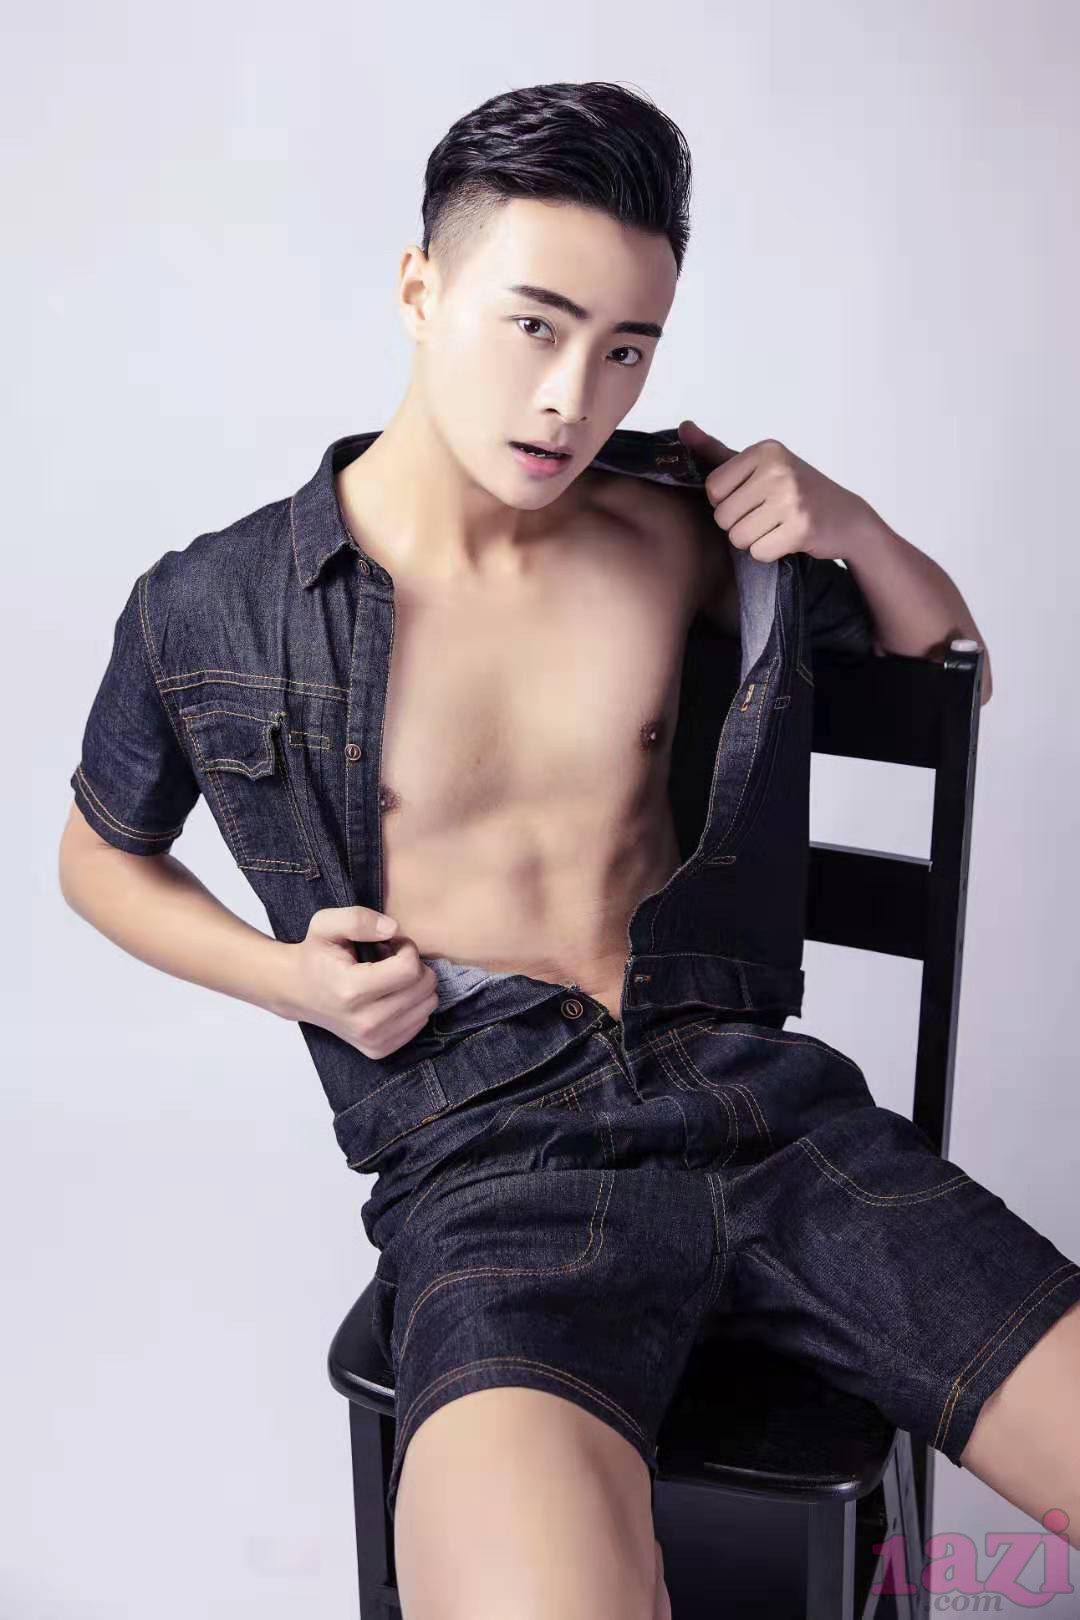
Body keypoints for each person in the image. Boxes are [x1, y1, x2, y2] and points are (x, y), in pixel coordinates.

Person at [59, 79, 1079, 1620]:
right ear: (421, 289)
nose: (570, 398)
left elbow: (956, 673)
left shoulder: (678, 536)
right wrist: (291, 981)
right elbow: (96, 857)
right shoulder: (212, 606)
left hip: (764, 1117)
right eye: (534, 326)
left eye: (624, 349)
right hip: (495, 1170)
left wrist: (853, 522)